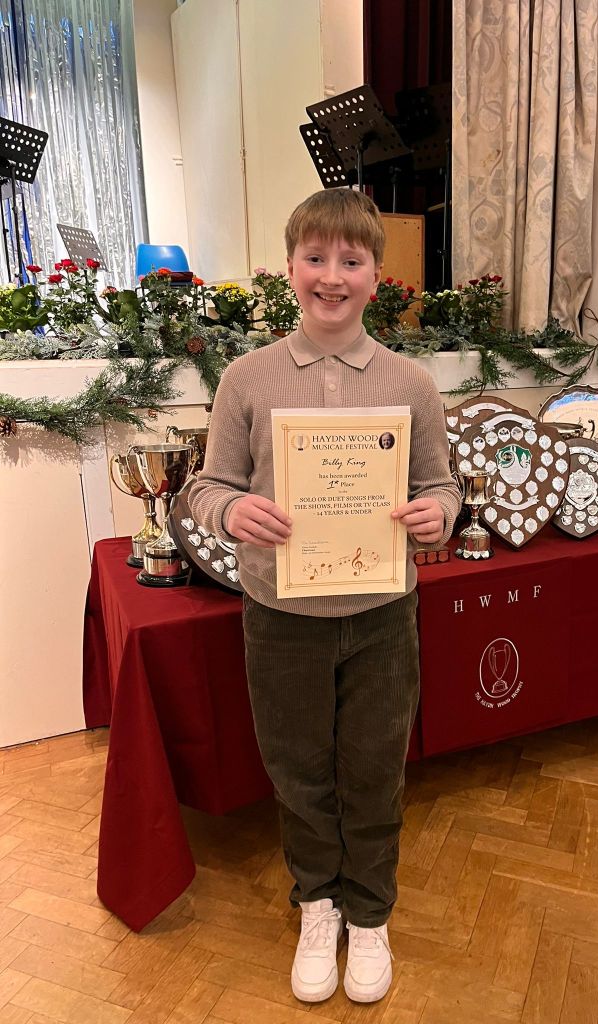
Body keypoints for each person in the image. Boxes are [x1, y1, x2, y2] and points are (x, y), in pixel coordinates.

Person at [188, 188, 460, 1005]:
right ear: (290, 268)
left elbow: (441, 487)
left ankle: (369, 914)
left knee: (373, 771)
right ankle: (318, 903)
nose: (332, 276)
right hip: (281, 617)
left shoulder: (411, 384)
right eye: (316, 258)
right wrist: (231, 510)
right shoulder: (247, 379)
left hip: (382, 616)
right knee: (299, 771)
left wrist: (438, 514)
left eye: (351, 260)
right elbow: (205, 486)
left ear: (377, 276)